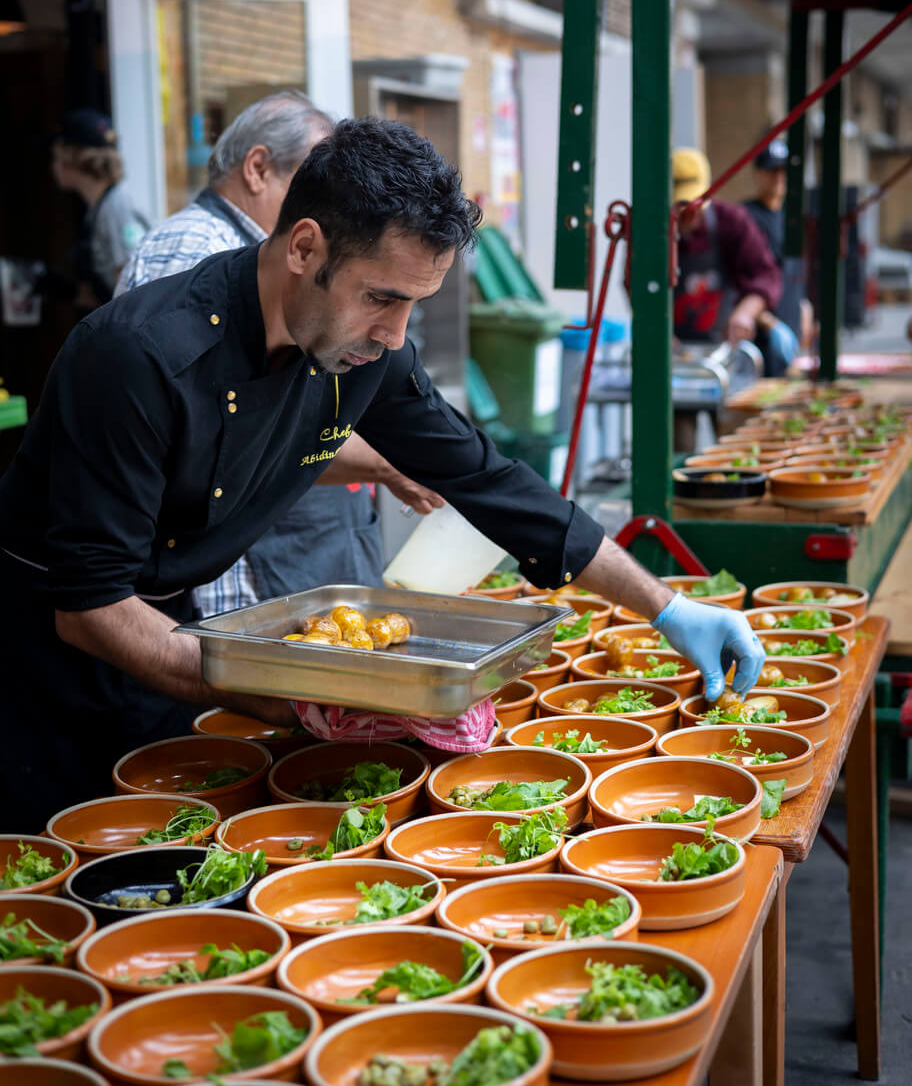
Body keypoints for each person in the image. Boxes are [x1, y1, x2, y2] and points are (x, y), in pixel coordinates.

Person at [0, 119, 764, 827]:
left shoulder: (367, 353)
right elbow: (90, 607)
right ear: (304, 248)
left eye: (414, 306)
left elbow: (490, 482)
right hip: (49, 672)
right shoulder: (137, 356)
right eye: (381, 299)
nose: (395, 336)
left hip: (171, 644)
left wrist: (666, 607)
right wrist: (296, 695)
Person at [117, 91, 440, 615]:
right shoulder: (196, 248)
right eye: (317, 181)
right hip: (237, 583)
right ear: (258, 168)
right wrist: (388, 464)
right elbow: (227, 439)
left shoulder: (294, 269)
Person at [672, 147, 782, 350]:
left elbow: (765, 275)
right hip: (673, 349)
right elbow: (636, 286)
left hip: (725, 347)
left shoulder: (732, 221)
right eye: (681, 209)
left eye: (694, 207)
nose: (688, 215)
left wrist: (745, 313)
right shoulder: (653, 234)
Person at [51, 110, 150, 306]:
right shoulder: (97, 210)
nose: (53, 166)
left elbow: (133, 287)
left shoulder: (115, 208)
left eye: (56, 157)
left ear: (72, 160)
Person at [742, 139, 813, 376]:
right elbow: (738, 278)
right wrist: (766, 321)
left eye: (783, 171)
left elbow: (796, 269)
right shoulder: (745, 217)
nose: (778, 178)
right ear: (757, 174)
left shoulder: (793, 217)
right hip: (758, 335)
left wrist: (804, 306)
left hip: (791, 325)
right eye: (772, 171)